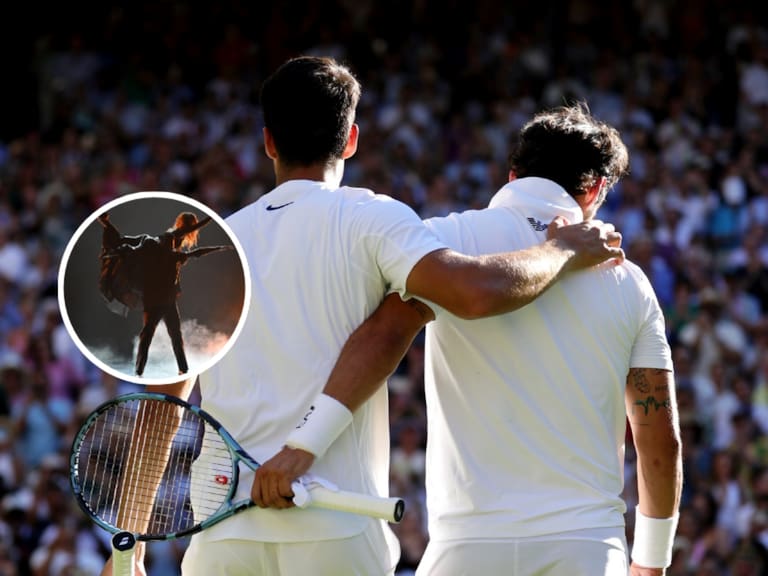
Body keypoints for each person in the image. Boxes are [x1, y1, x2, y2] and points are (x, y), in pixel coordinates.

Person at [135, 56, 623, 576]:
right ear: (350, 140)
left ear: (269, 142)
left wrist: (130, 545)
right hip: (335, 524)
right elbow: (476, 294)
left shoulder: (211, 248)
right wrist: (563, 249)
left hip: (222, 534)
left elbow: (160, 410)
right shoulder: (373, 217)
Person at [256, 103, 682, 575]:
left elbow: (382, 336)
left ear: (513, 175)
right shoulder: (630, 282)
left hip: (466, 547)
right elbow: (659, 440)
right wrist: (651, 562)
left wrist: (303, 445)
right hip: (586, 547)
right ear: (597, 189)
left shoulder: (447, 238)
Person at [97, 211, 233, 376]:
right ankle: (142, 370)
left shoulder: (172, 253)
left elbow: (196, 252)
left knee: (170, 335)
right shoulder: (162, 245)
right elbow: (193, 248)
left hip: (165, 300)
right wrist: (211, 218)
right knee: (152, 335)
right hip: (156, 300)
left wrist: (218, 247)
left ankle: (180, 369)